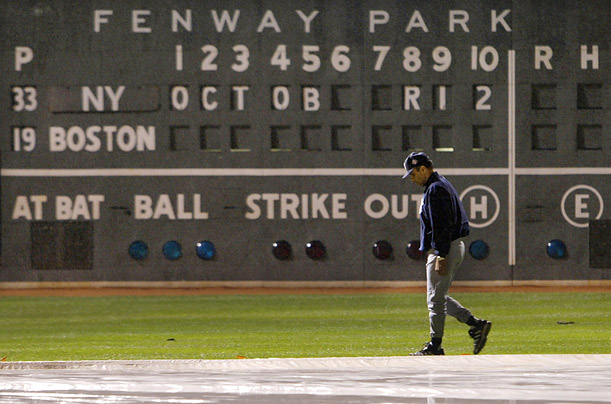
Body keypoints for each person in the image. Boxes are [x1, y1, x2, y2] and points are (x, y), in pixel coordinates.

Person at [403, 152, 491, 355]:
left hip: (445, 247)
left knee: (435, 299)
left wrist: (441, 254)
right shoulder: (440, 185)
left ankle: (435, 345)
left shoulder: (436, 189)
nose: (412, 178)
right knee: (437, 297)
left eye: (413, 173)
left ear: (423, 169)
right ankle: (475, 324)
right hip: (450, 246)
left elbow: (441, 225)